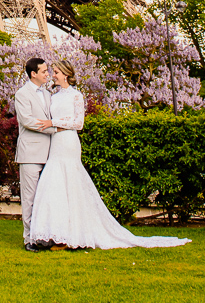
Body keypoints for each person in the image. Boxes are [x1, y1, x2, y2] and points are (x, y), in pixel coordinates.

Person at [28, 60, 191, 251]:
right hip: (56, 144)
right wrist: (52, 124)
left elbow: (78, 123)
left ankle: (74, 234)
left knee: (71, 185)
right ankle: (58, 233)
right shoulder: (53, 97)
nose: (52, 75)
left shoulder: (76, 96)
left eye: (55, 72)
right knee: (55, 186)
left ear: (65, 74)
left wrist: (53, 123)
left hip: (69, 143)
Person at [13, 57, 55, 251]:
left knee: (44, 198)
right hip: (30, 153)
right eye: (45, 71)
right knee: (29, 198)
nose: (48, 74)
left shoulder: (47, 94)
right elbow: (27, 121)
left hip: (50, 152)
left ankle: (43, 235)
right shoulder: (22, 94)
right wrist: (53, 128)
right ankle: (29, 239)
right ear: (33, 74)